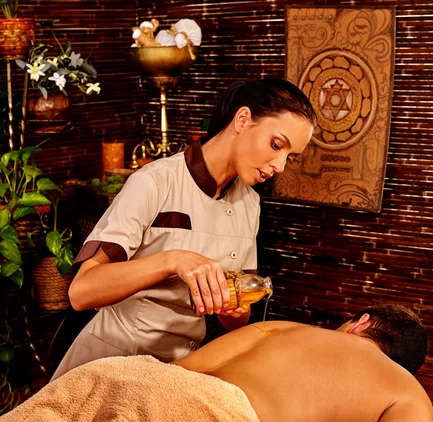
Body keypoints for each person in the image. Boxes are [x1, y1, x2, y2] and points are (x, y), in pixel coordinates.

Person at [51, 79, 317, 381]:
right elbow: (82, 291)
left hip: (180, 373)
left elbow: (236, 320)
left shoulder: (249, 204)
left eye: (290, 157)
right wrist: (171, 260)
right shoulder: (154, 182)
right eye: (276, 145)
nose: (280, 165)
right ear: (242, 120)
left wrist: (232, 307)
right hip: (109, 363)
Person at [0, 304, 433, 422]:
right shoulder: (408, 394)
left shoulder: (286, 329)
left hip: (126, 375)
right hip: (209, 417)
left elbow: (185, 376)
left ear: (360, 323)